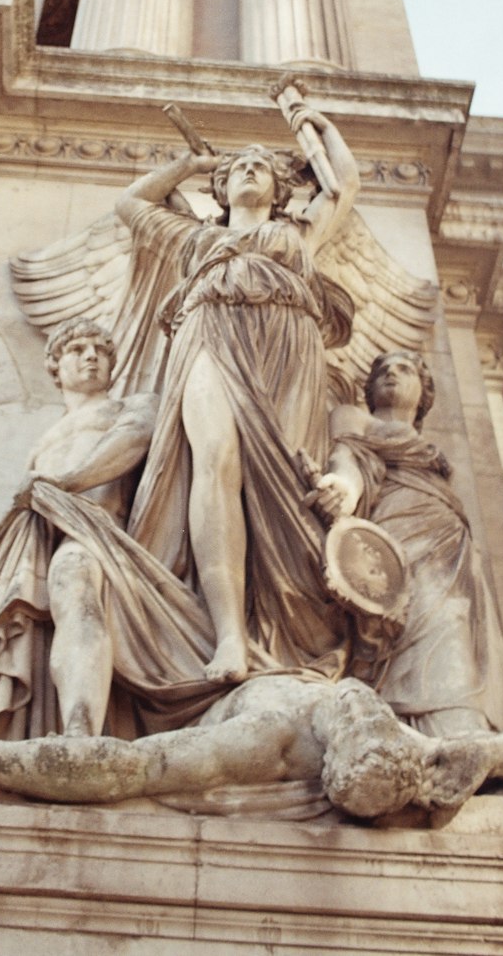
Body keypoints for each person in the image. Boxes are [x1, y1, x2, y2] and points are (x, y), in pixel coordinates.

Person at [119, 102, 360, 684]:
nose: (250, 169)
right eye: (237, 168)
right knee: (214, 459)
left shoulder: (299, 230)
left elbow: (344, 184)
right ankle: (227, 636)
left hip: (288, 341)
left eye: (261, 165)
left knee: (280, 474)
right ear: (222, 190)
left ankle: (275, 628)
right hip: (207, 330)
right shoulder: (193, 237)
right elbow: (130, 205)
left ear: (280, 189)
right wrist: (186, 164)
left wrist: (315, 123)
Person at [0, 671, 503, 818]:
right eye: (370, 713)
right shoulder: (413, 748)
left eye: (359, 720)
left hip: (193, 690)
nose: (364, 706)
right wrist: (494, 752)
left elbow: (126, 768)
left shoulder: (271, 742)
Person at [0, 317, 157, 737]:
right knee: (28, 632)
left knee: (75, 582)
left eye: (100, 351)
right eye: (78, 350)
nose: (91, 357)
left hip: (94, 529)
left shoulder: (130, 407)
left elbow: (133, 440)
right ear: (54, 367)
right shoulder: (42, 440)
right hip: (35, 540)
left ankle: (81, 734)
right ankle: (52, 733)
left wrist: (67, 483)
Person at [311, 350, 503, 736]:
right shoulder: (352, 417)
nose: (391, 375)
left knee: (455, 619)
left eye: (404, 370)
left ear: (423, 392)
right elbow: (347, 459)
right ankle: (419, 725)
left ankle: (460, 721)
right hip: (394, 534)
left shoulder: (424, 444)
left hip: (448, 541)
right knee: (412, 619)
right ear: (369, 389)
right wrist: (343, 488)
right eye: (383, 372)